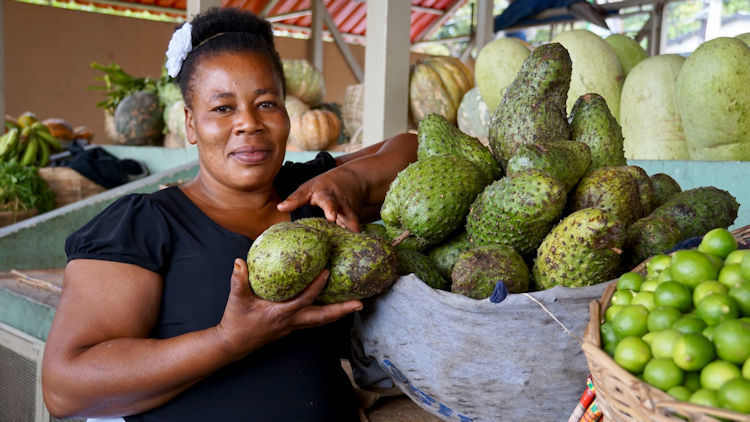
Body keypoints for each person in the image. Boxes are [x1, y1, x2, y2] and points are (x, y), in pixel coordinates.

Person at [41, 7, 417, 421]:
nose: (248, 124)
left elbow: (412, 150)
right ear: (190, 123)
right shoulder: (145, 224)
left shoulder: (311, 195)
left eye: (267, 103)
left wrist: (352, 181)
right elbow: (65, 388)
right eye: (222, 108)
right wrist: (228, 341)